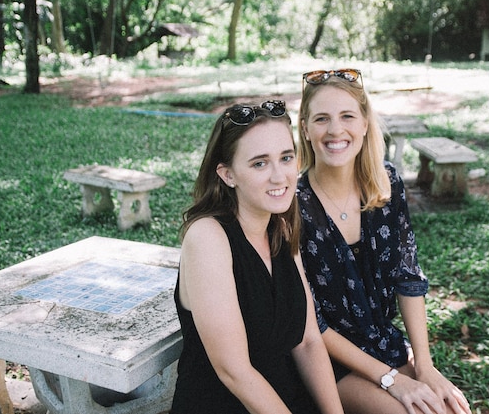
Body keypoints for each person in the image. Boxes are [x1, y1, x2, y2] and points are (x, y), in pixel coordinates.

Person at [296, 69, 471, 414]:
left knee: (450, 409)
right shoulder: (292, 205)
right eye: (321, 119)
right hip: (331, 360)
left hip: (383, 342)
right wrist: (392, 379)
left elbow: (408, 277)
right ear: (304, 128)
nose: (335, 130)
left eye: (347, 116)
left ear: (364, 123)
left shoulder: (386, 182)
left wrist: (424, 365)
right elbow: (311, 324)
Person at [170, 100, 344, 414]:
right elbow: (234, 371)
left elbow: (307, 342)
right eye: (259, 163)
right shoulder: (208, 237)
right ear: (227, 174)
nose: (280, 176)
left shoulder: (281, 227)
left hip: (285, 400)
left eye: (286, 158)